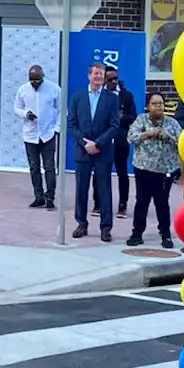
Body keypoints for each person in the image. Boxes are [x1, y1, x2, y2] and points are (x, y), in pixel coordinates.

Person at [67, 61, 119, 242]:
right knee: (81, 189)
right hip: (82, 152)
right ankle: (81, 223)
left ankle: (106, 227)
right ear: (89, 75)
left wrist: (97, 143)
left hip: (102, 152)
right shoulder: (77, 97)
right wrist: (84, 143)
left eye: (101, 74)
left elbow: (114, 126)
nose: (98, 77)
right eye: (95, 74)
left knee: (104, 190)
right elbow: (72, 124)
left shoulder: (112, 98)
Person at [125, 93, 181, 248]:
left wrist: (167, 136)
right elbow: (130, 138)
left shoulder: (172, 123)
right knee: (142, 201)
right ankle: (137, 234)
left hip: (165, 170)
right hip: (144, 168)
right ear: (148, 106)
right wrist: (147, 134)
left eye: (161, 104)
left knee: (162, 202)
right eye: (155, 103)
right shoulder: (141, 120)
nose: (159, 106)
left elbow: (182, 142)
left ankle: (165, 235)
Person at [13, 64, 61, 209]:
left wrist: (56, 129)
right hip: (30, 134)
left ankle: (50, 197)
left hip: (48, 134)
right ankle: (38, 197)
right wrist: (25, 114)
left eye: (38, 81)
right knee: (34, 167)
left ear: (43, 77)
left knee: (49, 167)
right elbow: (17, 107)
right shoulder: (23, 90)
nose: (35, 84)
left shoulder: (54, 89)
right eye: (32, 81)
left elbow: (61, 110)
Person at [104, 64, 137, 219]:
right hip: (103, 140)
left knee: (122, 173)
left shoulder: (126, 95)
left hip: (120, 140)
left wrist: (120, 118)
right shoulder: (99, 95)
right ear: (104, 80)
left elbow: (133, 116)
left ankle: (122, 205)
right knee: (100, 172)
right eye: (110, 79)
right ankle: (99, 204)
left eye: (116, 78)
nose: (114, 81)